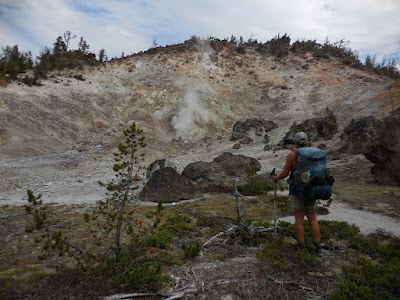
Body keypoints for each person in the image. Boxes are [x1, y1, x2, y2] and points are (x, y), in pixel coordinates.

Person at [272, 132, 322, 255]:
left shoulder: (292, 155)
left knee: (299, 218)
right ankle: (318, 247)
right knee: (312, 217)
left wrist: (275, 178)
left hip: (297, 189)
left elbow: (284, 174)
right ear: (307, 142)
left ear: (295, 142)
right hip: (312, 189)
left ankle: (301, 245)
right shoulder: (315, 153)